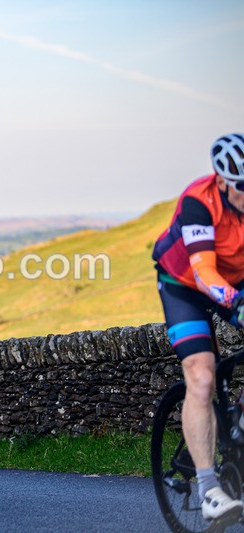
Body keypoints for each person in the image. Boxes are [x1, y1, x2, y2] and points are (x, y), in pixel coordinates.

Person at [152, 133, 244, 524]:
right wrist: (237, 304)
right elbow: (204, 270)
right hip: (185, 284)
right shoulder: (198, 202)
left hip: (237, 281)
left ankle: (236, 425)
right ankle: (209, 491)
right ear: (222, 181)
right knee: (202, 376)